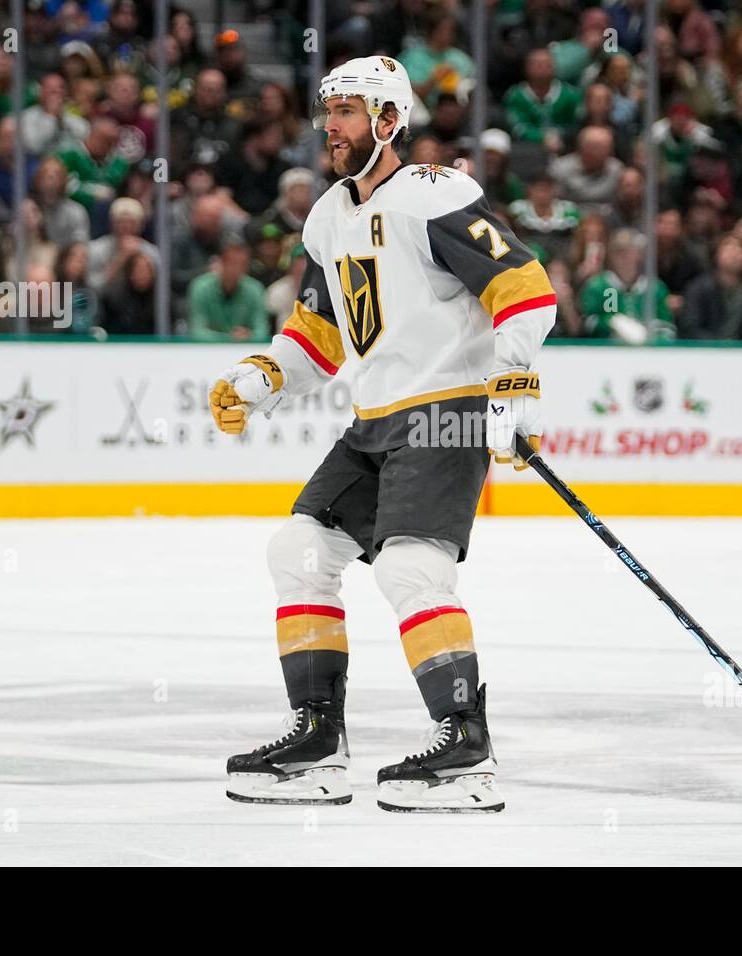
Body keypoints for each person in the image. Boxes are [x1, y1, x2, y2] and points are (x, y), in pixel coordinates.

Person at [207, 56, 556, 813]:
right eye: (326, 111)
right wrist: (265, 376)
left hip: (443, 409)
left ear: (390, 121)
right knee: (299, 552)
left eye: (348, 112)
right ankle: (318, 740)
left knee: (409, 571)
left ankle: (465, 745)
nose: (329, 126)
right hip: (374, 419)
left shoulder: (435, 194)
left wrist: (515, 380)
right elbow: (321, 334)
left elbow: (524, 287)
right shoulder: (328, 215)